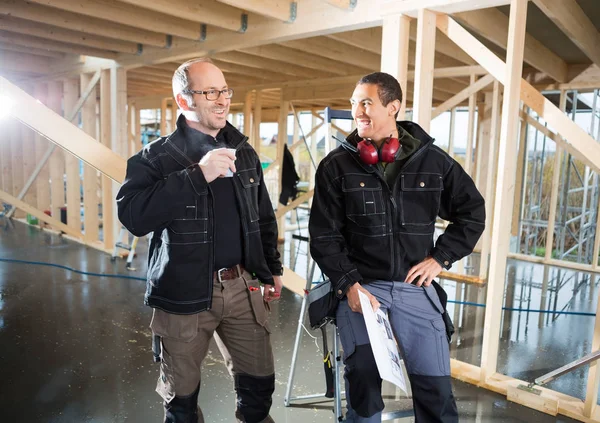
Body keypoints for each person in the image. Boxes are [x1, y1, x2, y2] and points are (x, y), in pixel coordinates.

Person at [309, 72, 486, 422]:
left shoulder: (433, 162)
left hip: (412, 288)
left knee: (435, 390)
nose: (356, 110)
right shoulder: (336, 166)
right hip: (361, 288)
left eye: (366, 102)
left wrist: (440, 257)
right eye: (353, 102)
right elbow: (324, 237)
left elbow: (472, 213)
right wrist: (349, 285)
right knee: (361, 381)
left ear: (393, 107)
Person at [116, 58, 283, 423]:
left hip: (241, 286)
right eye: (210, 92)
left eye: (224, 90)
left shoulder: (244, 151)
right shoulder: (156, 158)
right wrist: (198, 174)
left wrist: (271, 267)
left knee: (259, 390)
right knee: (182, 404)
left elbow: (262, 215)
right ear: (183, 100)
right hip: (182, 296)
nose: (222, 100)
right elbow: (134, 217)